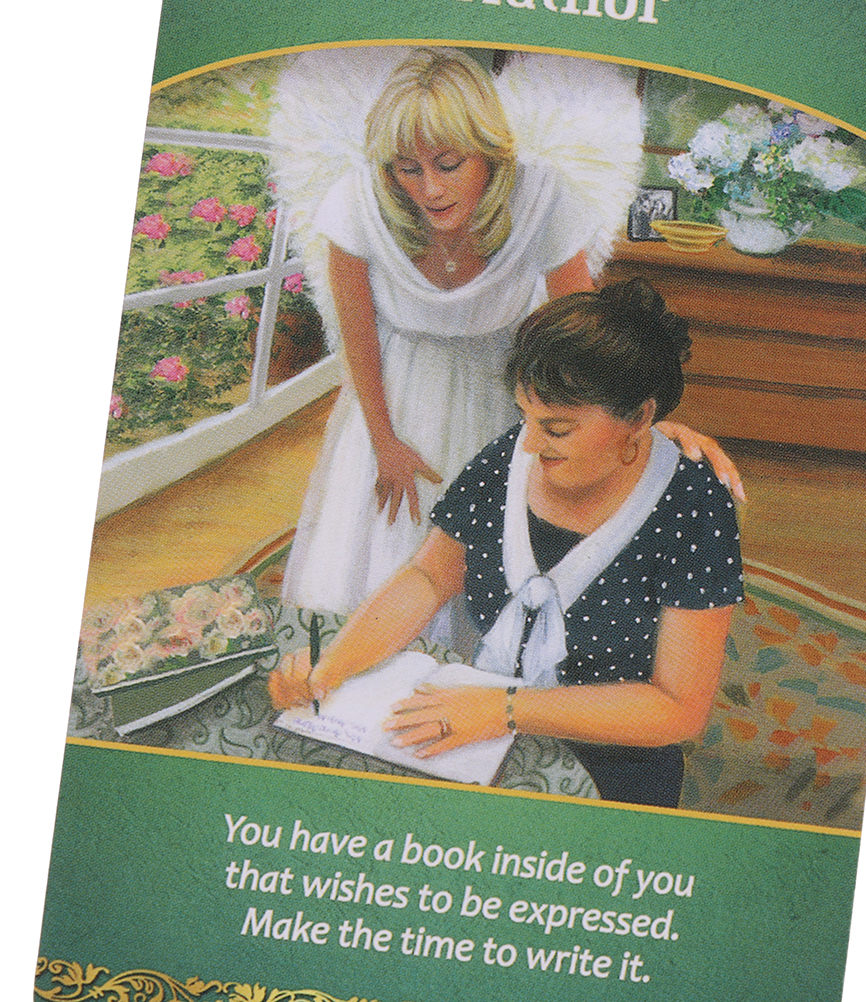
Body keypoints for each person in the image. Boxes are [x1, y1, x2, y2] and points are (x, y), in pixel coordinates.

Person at [270, 47, 743, 622]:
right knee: (379, 549)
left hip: (507, 391)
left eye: (448, 164)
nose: (429, 189)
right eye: (408, 168)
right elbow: (359, 340)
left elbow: (583, 334)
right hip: (394, 394)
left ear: (489, 153)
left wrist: (635, 416)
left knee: (500, 548)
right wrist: (383, 441)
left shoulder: (542, 196)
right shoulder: (357, 202)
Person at [270, 279, 743, 809]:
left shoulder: (693, 506)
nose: (531, 443)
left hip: (610, 760)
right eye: (525, 417)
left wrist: (505, 709)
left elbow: (679, 709)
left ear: (638, 418)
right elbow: (429, 576)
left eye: (557, 429)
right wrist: (332, 666)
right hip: (472, 727)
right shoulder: (509, 459)